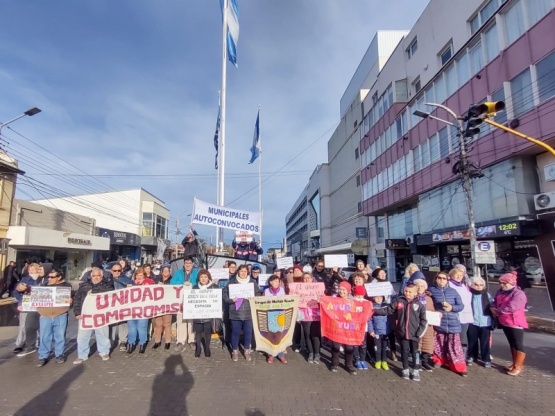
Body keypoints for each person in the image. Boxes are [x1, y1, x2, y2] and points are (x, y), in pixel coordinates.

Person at [373, 284, 427, 381]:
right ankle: (405, 369)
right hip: (402, 333)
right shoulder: (398, 301)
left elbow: (424, 320)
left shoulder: (419, 304)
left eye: (410, 292)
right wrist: (374, 311)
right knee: (404, 351)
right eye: (406, 291)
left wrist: (419, 332)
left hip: (415, 334)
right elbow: (388, 310)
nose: (407, 293)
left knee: (415, 352)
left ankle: (416, 370)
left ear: (415, 293)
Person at [428, 272, 467, 376]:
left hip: (453, 321)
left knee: (455, 346)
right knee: (439, 344)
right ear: (436, 279)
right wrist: (434, 311)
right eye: (439, 278)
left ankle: (458, 366)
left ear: (447, 280)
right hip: (439, 322)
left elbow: (461, 306)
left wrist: (452, 308)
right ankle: (439, 360)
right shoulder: (431, 291)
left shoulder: (453, 291)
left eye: (444, 278)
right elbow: (428, 304)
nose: (442, 280)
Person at [73, 268, 114, 364]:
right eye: (94, 276)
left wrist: (93, 291)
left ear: (102, 276)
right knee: (82, 336)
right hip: (85, 316)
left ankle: (104, 352)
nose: (96, 277)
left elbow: (110, 294)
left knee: (102, 335)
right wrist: (77, 313)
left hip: (101, 315)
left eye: (98, 275)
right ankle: (82, 355)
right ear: (91, 276)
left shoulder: (107, 286)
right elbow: (77, 299)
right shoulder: (83, 286)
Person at [491, 272, 528, 376]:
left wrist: (498, 310)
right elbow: (495, 301)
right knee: (512, 343)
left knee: (518, 344)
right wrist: (492, 307)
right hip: (505, 321)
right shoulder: (501, 292)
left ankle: (518, 366)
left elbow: (512, 307)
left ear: (511, 283)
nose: (502, 285)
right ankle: (514, 363)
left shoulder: (518, 293)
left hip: (515, 322)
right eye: (500, 283)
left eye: (504, 283)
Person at [222, 264, 260, 361]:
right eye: (241, 271)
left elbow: (258, 294)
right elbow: (224, 295)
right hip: (235, 313)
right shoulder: (231, 283)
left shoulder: (253, 283)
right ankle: (235, 351)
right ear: (238, 271)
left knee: (248, 333)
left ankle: (246, 351)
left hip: (249, 312)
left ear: (247, 272)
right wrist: (231, 300)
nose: (243, 273)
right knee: (235, 332)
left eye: (245, 271)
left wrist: (254, 298)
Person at [36, 270, 73, 367]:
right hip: (45, 315)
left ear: (59, 277)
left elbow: (72, 300)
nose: (49, 279)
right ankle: (43, 356)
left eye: (52, 277)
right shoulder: (43, 286)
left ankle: (59, 354)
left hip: (60, 314)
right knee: (44, 337)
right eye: (49, 277)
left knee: (60, 336)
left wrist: (71, 301)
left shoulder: (67, 286)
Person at [14, 263, 46, 357]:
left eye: (32, 269)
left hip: (40, 306)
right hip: (27, 306)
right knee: (24, 326)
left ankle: (36, 343)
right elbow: (16, 292)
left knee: (38, 326)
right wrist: (20, 302)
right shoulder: (25, 279)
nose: (30, 271)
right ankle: (20, 344)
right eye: (29, 270)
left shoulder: (44, 279)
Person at [329, 281, 359, 375]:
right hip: (337, 327)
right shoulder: (334, 299)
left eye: (344, 289)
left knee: (349, 347)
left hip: (349, 328)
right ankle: (334, 364)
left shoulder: (353, 301)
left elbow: (359, 312)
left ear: (348, 291)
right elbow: (327, 308)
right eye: (340, 289)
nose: (341, 291)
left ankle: (349, 364)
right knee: (335, 346)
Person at [172, 257, 199, 351]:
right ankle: (180, 341)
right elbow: (172, 283)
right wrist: (183, 283)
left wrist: (190, 284)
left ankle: (192, 340)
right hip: (180, 300)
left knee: (191, 321)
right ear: (183, 264)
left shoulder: (197, 273)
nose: (188, 264)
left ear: (193, 264)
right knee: (181, 321)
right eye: (186, 263)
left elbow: (199, 283)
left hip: (192, 300)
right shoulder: (178, 273)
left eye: (190, 263)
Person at [467, 276, 494, 368]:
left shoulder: (487, 295)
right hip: (472, 322)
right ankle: (471, 356)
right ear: (471, 285)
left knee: (485, 342)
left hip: (485, 322)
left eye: (481, 285)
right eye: (476, 284)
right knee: (472, 341)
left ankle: (486, 359)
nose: (478, 286)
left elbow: (492, 306)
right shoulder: (469, 294)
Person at [126, 267, 154, 354]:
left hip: (143, 310)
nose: (139, 277)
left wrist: (149, 287)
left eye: (141, 275)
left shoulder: (149, 282)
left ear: (144, 276)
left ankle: (142, 344)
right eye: (137, 275)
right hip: (132, 310)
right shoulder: (131, 283)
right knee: (132, 328)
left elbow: (155, 291)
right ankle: (131, 343)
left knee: (142, 328)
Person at [448, 267, 473, 359]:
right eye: (456, 275)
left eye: (461, 275)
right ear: (451, 275)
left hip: (466, 315)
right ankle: (453, 354)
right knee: (454, 336)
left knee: (463, 335)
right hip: (455, 314)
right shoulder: (449, 285)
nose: (459, 276)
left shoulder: (463, 286)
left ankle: (462, 355)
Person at [192, 269, 217, 358]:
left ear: (208, 278)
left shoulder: (214, 287)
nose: (203, 279)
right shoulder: (195, 287)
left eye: (205, 277)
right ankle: (198, 348)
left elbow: (217, 299)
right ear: (199, 278)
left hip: (209, 315)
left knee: (207, 332)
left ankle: (207, 347)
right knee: (198, 332)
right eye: (201, 277)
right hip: (198, 314)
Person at [298, 272, 322, 364]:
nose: (306, 280)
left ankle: (317, 353)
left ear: (312, 278)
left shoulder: (318, 289)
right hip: (305, 315)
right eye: (304, 278)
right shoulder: (299, 289)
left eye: (308, 278)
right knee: (307, 335)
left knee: (315, 336)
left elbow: (323, 300)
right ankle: (311, 353)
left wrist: (320, 300)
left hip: (316, 316)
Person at [109, 262, 133, 351]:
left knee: (123, 323)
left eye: (119, 270)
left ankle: (123, 341)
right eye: (115, 270)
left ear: (121, 270)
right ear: (111, 271)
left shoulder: (126, 279)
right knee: (111, 323)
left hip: (123, 305)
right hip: (111, 306)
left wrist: (131, 287)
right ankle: (111, 341)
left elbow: (133, 288)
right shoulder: (107, 280)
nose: (117, 272)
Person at [263, 274, 287, 364]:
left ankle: (281, 355)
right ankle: (271, 355)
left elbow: (286, 301)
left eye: (278, 281)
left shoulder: (282, 290)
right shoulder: (266, 291)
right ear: (270, 282)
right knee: (271, 335)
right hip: (270, 315)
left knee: (280, 335)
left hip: (280, 315)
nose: (277, 283)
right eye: (275, 281)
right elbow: (262, 303)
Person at [413, 278, 435, 372]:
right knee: (417, 344)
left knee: (427, 343)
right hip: (415, 324)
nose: (420, 288)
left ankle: (425, 362)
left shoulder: (429, 298)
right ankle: (416, 362)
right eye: (418, 286)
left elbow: (433, 310)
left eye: (422, 286)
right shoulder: (413, 297)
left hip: (428, 325)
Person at [367, 295, 391, 370]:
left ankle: (384, 361)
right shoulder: (372, 307)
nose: (378, 299)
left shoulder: (386, 306)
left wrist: (390, 329)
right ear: (373, 298)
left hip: (386, 331)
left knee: (385, 347)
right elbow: (369, 320)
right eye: (376, 297)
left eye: (380, 297)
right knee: (377, 348)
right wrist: (371, 330)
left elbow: (390, 319)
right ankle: (378, 361)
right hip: (376, 332)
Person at [152, 266, 173, 350]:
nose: (165, 272)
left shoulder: (172, 280)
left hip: (168, 305)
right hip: (158, 305)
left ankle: (168, 341)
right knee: (158, 324)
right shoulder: (157, 280)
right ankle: (157, 341)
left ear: (170, 272)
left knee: (167, 324)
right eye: (164, 270)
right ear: (161, 272)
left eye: (167, 271)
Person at [352, 285, 369, 370]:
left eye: (361, 295)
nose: (359, 297)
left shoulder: (367, 302)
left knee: (363, 344)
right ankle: (357, 360)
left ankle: (362, 359)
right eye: (357, 295)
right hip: (354, 327)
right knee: (355, 344)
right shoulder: (351, 301)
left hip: (364, 327)